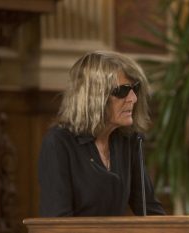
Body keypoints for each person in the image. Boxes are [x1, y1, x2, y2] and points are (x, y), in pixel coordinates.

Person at [38, 51, 165, 217]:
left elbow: (151, 211)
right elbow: (57, 222)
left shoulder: (129, 140)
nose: (133, 98)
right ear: (94, 97)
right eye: (122, 91)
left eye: (135, 89)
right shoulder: (59, 143)